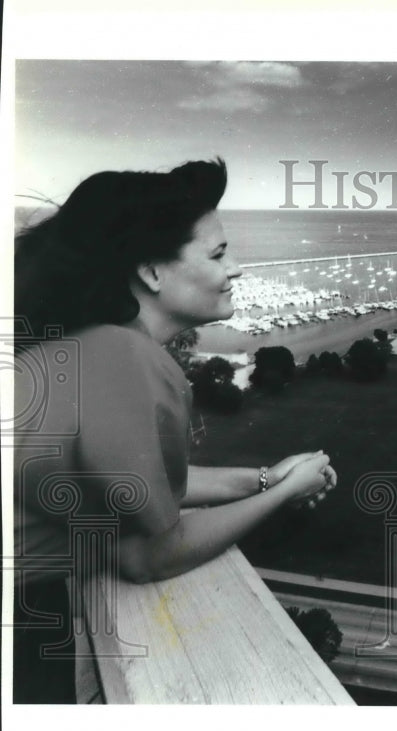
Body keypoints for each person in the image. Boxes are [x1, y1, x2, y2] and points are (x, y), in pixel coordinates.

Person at [12, 158, 336, 703]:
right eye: (217, 254)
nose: (237, 268)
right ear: (152, 272)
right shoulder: (126, 360)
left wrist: (258, 478)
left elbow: (144, 491)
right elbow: (146, 556)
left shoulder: (87, 345)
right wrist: (285, 493)